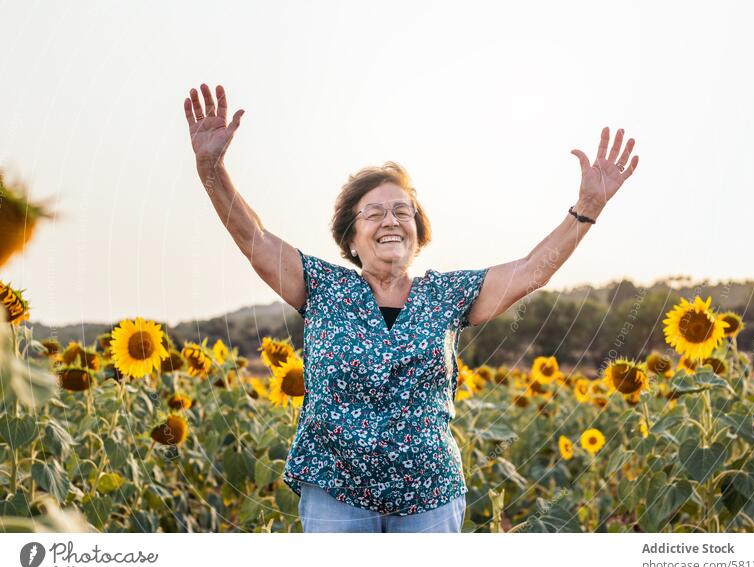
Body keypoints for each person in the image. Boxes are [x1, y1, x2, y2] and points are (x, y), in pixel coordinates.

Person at [182, 83, 639, 533]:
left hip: (429, 500)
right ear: (350, 238)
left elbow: (529, 272)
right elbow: (254, 237)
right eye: (373, 212)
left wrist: (586, 208)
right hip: (336, 495)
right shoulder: (322, 286)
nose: (391, 220)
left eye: (403, 211)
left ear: (418, 231)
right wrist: (211, 169)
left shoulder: (446, 294)